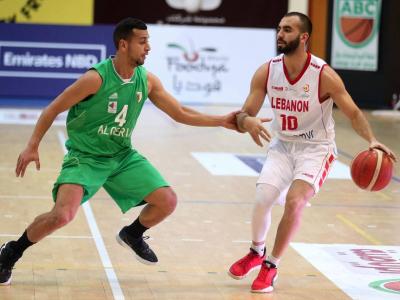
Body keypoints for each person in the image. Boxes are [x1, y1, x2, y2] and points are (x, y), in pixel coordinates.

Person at [0, 17, 239, 286]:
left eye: (149, 41)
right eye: (142, 41)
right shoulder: (96, 78)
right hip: (86, 157)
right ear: (123, 45)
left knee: (167, 201)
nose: (148, 47)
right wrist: (32, 145)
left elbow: (180, 112)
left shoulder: (146, 81)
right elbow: (53, 108)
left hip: (122, 156)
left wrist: (221, 120)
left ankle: (133, 234)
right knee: (62, 215)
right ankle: (11, 252)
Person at [228, 12, 397, 293]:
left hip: (316, 149)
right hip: (283, 145)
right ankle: (256, 252)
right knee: (262, 198)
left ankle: (271, 265)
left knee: (294, 202)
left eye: (288, 30)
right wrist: (248, 122)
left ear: (303, 37)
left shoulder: (323, 75)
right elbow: (245, 113)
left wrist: (372, 139)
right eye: (279, 28)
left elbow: (353, 112)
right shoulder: (267, 71)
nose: (280, 34)